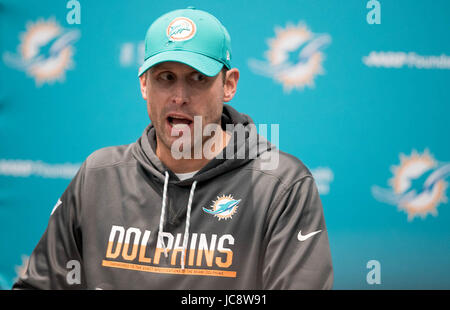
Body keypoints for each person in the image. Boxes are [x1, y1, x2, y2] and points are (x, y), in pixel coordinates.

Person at [13, 7, 333, 290]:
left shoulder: (282, 186)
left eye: (197, 78)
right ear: (143, 84)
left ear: (229, 84)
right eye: (166, 77)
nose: (179, 95)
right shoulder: (98, 176)